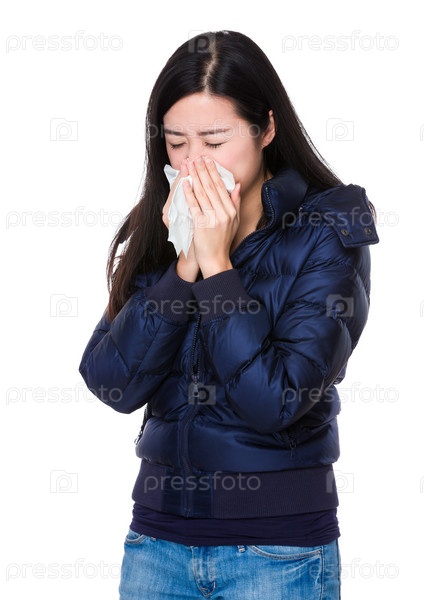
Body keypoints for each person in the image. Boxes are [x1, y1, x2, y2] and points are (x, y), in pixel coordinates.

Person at [79, 30, 379, 599]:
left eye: (214, 141)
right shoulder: (165, 225)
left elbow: (275, 401)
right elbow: (112, 381)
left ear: (266, 129)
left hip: (277, 553)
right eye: (176, 143)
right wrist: (185, 263)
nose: (193, 164)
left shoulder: (327, 232)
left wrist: (218, 267)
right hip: (155, 544)